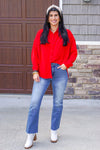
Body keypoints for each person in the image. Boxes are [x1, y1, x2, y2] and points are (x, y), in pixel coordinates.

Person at [24, 4, 77, 149]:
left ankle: (54, 130)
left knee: (58, 103)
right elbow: (35, 52)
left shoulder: (67, 34)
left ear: (60, 18)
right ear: (47, 18)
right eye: (51, 16)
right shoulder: (41, 33)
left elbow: (74, 52)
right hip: (43, 71)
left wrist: (67, 64)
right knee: (34, 103)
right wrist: (35, 71)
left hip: (60, 71)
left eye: (56, 15)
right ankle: (30, 134)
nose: (53, 18)